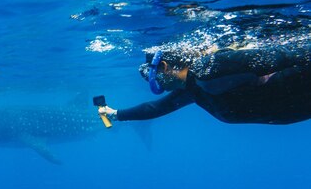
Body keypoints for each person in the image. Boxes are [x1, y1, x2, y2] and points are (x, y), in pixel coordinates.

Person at [99, 43, 311, 124]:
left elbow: (283, 56)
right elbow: (156, 107)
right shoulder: (193, 89)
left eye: (152, 76)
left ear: (163, 66)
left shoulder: (208, 69)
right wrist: (117, 113)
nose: (155, 84)